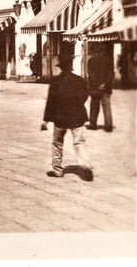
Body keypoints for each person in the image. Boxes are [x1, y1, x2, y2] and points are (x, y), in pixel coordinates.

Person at [41, 48, 94, 181]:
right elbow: (84, 96)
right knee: (79, 143)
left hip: (60, 118)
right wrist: (76, 105)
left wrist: (46, 120)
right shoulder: (79, 80)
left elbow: (50, 102)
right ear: (71, 65)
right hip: (77, 117)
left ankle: (57, 169)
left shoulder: (55, 81)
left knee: (57, 143)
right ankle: (85, 165)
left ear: (61, 66)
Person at [86, 47, 114, 132]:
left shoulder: (90, 61)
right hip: (106, 87)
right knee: (106, 106)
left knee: (94, 106)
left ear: (93, 51)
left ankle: (93, 124)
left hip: (95, 87)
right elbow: (111, 74)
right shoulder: (108, 60)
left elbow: (91, 74)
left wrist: (97, 84)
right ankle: (108, 125)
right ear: (102, 51)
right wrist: (105, 84)